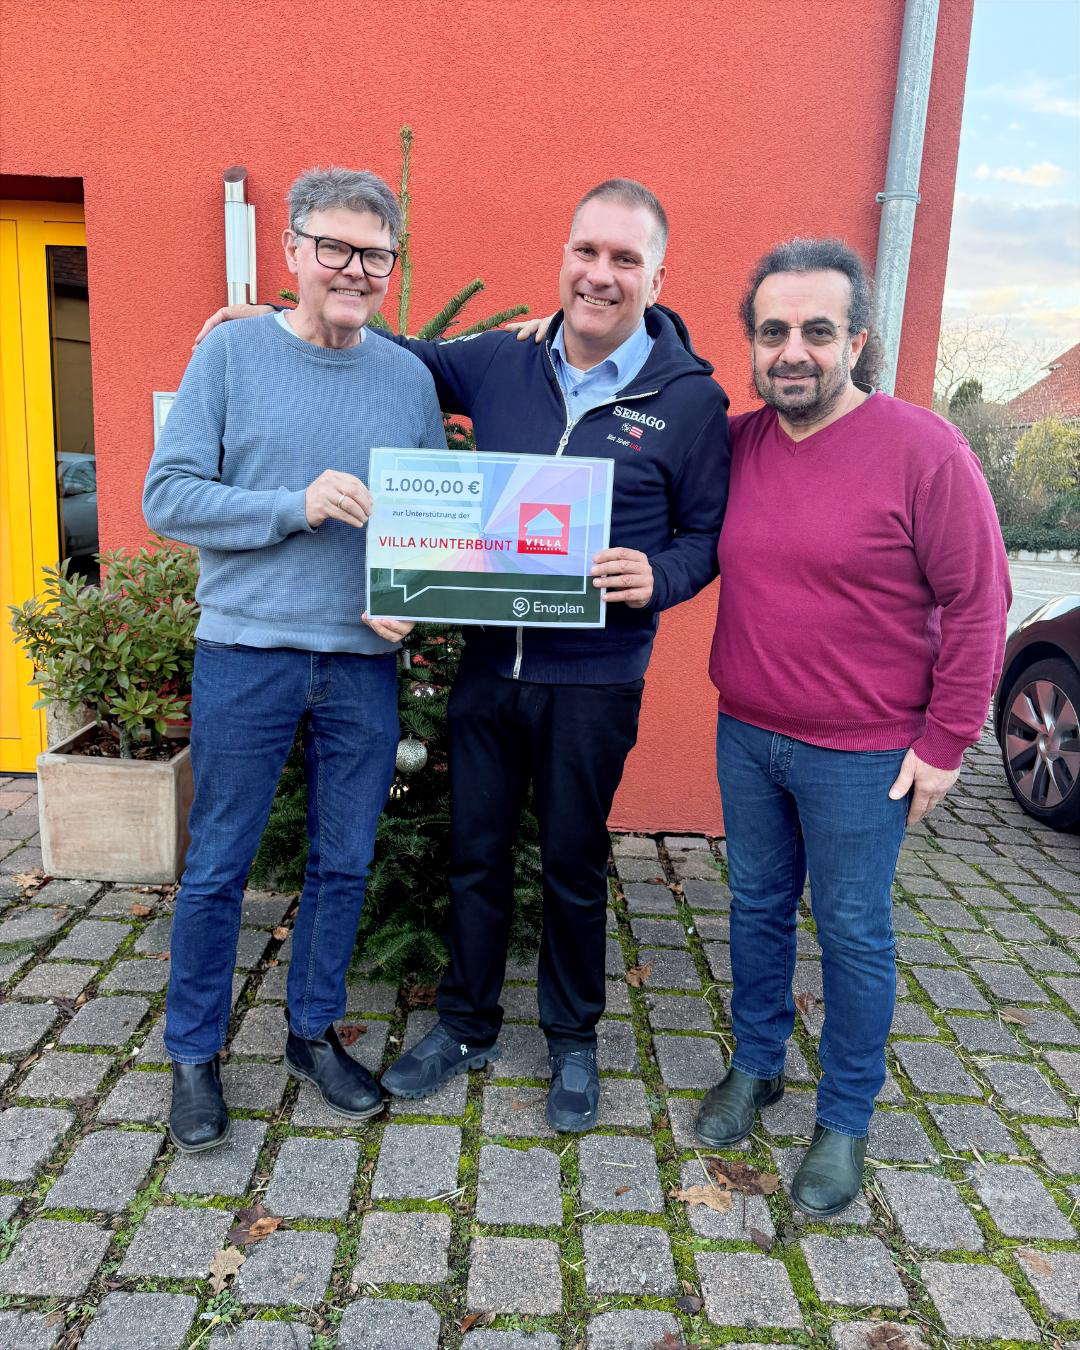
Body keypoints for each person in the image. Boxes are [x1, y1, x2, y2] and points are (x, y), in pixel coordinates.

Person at [199, 179, 731, 1132]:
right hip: (491, 670)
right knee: (475, 855)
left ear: (658, 276)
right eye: (586, 252)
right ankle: (466, 1026)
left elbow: (706, 536)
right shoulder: (502, 359)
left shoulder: (690, 400)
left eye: (625, 259)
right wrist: (275, 320)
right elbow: (397, 352)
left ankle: (571, 1038)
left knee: (572, 863)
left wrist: (662, 575)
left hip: (595, 679)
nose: (600, 274)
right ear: (564, 257)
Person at [694, 237, 1010, 1215]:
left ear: (857, 340)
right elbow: (648, 418)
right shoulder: (738, 443)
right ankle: (758, 1064)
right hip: (747, 731)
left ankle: (844, 1117)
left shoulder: (925, 451)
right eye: (773, 332)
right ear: (753, 344)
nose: (794, 351)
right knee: (754, 906)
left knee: (853, 931)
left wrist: (947, 744)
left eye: (817, 331)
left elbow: (980, 602)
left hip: (866, 753)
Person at [144, 167, 446, 1151]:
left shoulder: (407, 379)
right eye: (335, 248)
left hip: (361, 665)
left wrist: (414, 599)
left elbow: (428, 522)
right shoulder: (231, 355)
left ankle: (313, 1035)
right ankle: (194, 1053)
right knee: (217, 866)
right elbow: (167, 497)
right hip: (246, 654)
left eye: (375, 254)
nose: (355, 269)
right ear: (293, 251)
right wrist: (294, 506)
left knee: (344, 862)